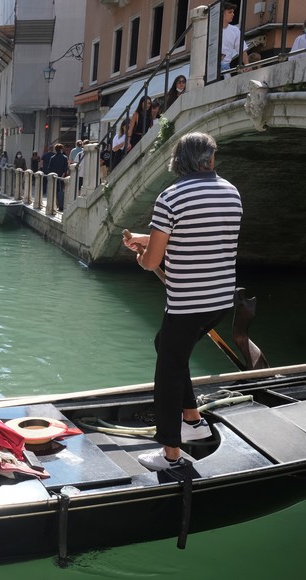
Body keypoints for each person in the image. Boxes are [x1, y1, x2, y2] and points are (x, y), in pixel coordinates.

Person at [122, 132, 242, 471]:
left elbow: (152, 261)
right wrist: (148, 241)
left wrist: (144, 254)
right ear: (211, 159)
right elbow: (196, 236)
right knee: (168, 346)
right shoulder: (232, 192)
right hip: (219, 301)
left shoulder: (171, 197)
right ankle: (192, 420)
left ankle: (170, 454)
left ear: (179, 161)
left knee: (167, 372)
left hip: (188, 303)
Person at [221, 2, 249, 75]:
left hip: (225, 67)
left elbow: (242, 49)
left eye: (233, 12)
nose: (233, 14)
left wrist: (247, 65)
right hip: (211, 67)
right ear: (222, 13)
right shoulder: (212, 29)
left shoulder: (235, 30)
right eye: (230, 12)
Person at [46, 143, 69, 212]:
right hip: (61, 177)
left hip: (53, 177)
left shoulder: (52, 158)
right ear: (61, 149)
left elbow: (49, 168)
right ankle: (61, 206)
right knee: (61, 191)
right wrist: (62, 175)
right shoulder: (65, 158)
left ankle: (54, 205)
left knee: (54, 191)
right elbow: (65, 169)